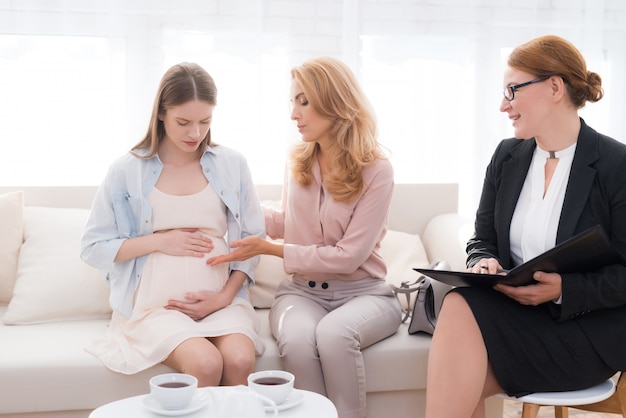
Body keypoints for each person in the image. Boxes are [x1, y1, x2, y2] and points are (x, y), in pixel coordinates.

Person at [425, 34, 626, 418]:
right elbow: (482, 239)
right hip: (516, 317)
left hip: (584, 331)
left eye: (512, 90)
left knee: (458, 380)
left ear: (554, 88)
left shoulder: (616, 165)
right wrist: (482, 261)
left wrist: (565, 289)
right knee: (459, 303)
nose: (504, 105)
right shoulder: (507, 157)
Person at [207, 56, 402, 418]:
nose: (294, 114)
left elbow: (348, 255)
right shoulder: (297, 160)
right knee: (295, 340)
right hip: (301, 293)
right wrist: (220, 208)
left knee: (334, 334)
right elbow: (285, 220)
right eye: (292, 102)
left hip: (364, 294)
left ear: (334, 101)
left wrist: (270, 249)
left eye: (304, 101)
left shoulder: (377, 170)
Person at [80, 62, 266, 387]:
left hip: (220, 302)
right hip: (156, 309)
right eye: (184, 122)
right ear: (162, 113)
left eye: (204, 122)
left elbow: (252, 239)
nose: (195, 133)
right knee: (206, 364)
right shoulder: (126, 170)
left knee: (239, 360)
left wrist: (224, 296)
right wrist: (160, 242)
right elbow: (92, 247)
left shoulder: (232, 164)